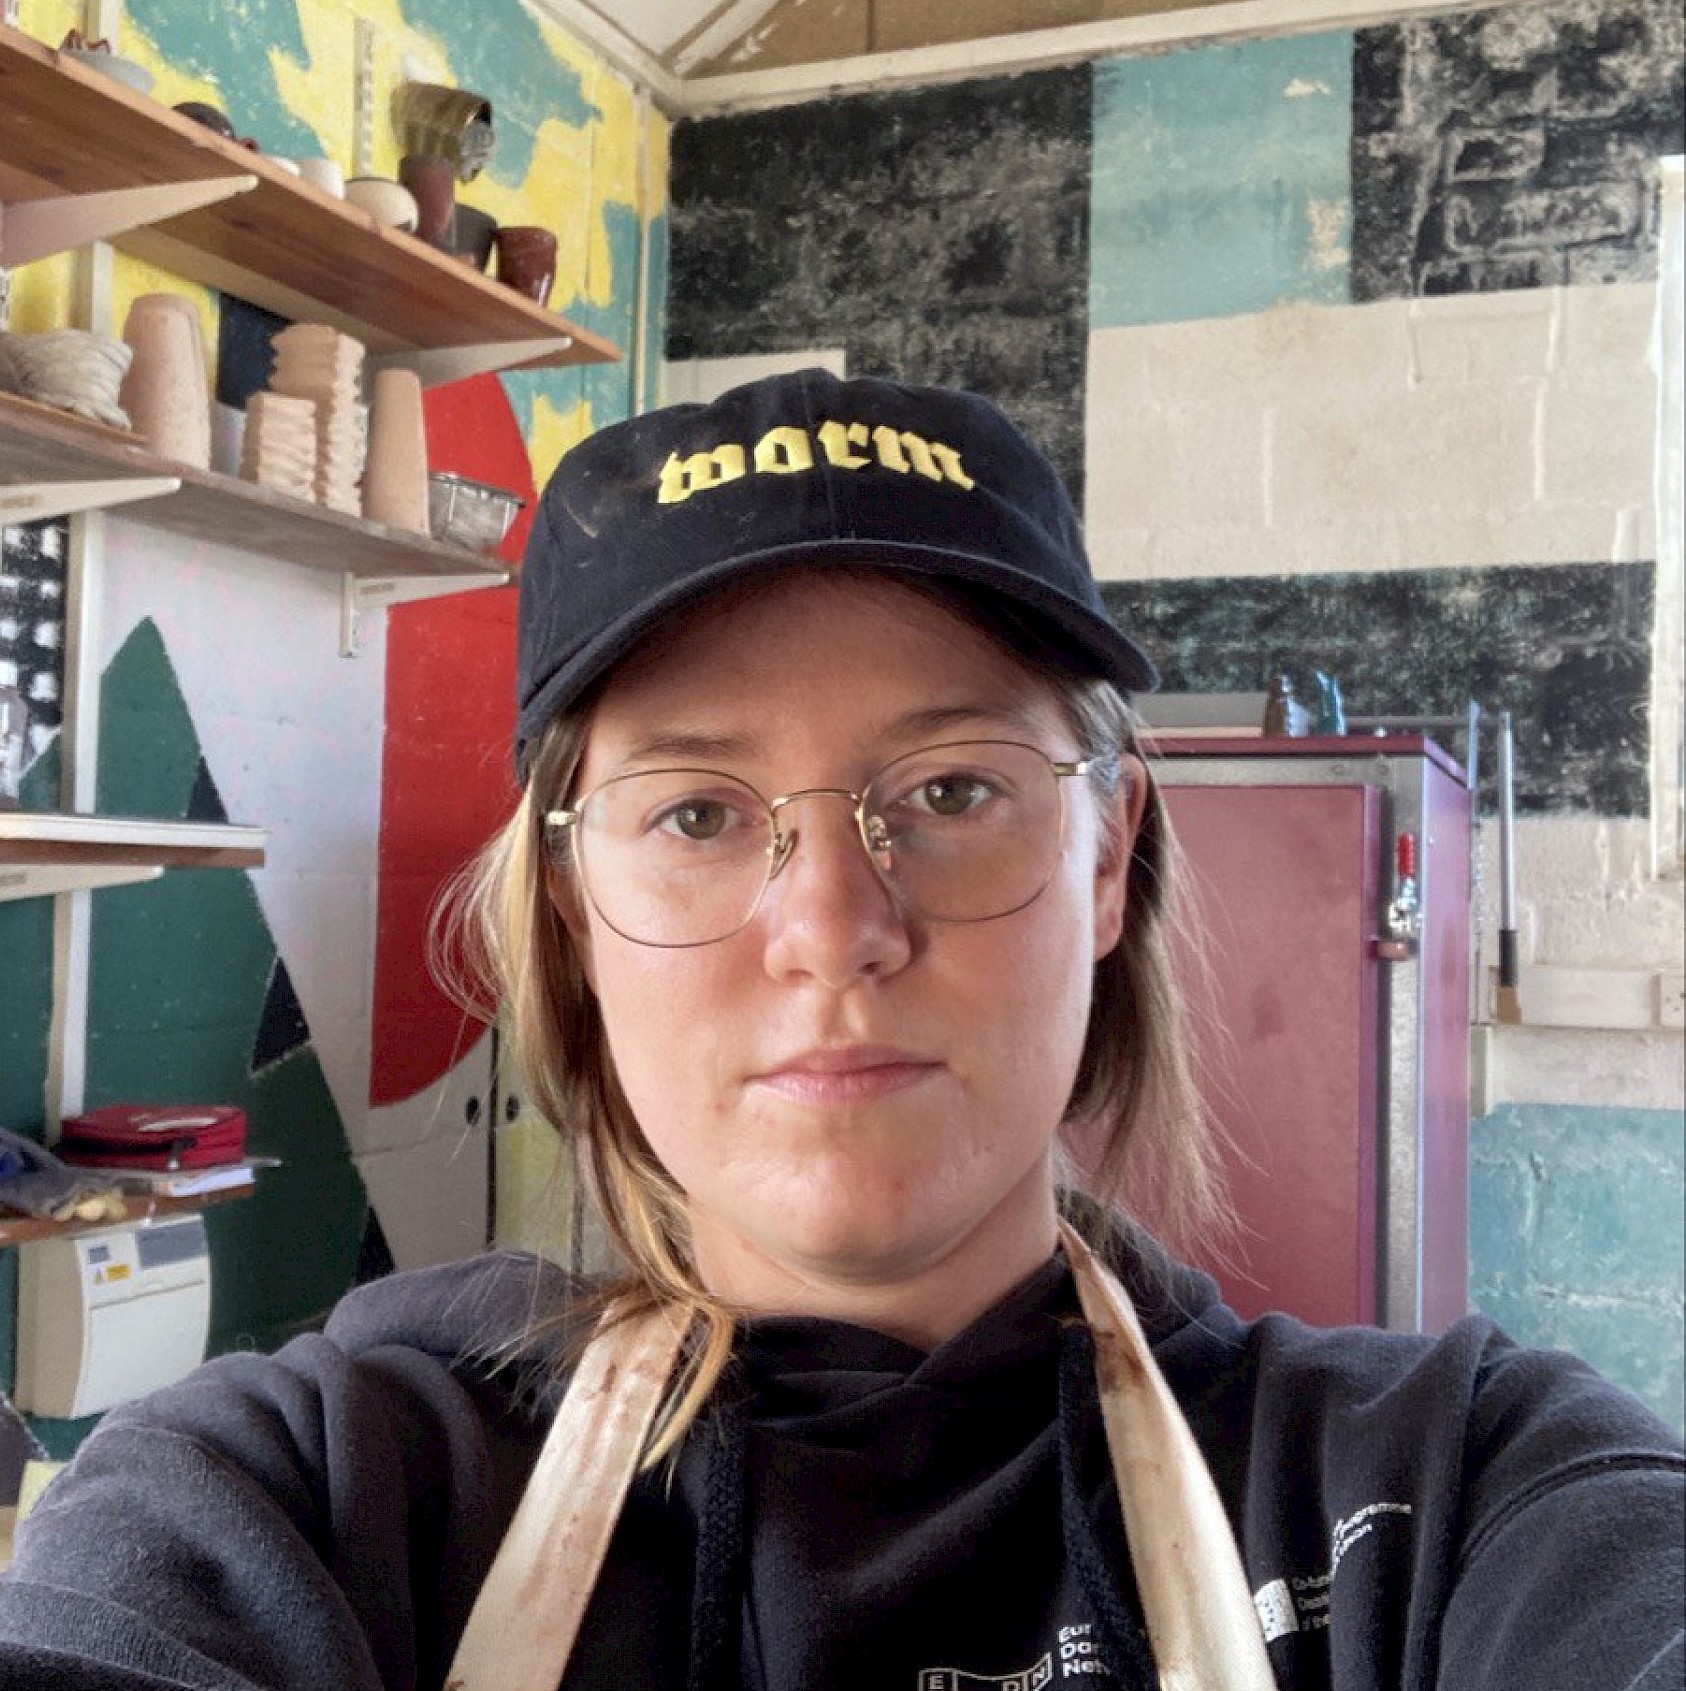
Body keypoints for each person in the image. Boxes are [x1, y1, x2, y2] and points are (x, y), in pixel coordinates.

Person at [1, 369, 1680, 1691]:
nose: (832, 933)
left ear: (1107, 861)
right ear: (574, 916)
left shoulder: (1451, 1495)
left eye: (950, 791)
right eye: (698, 813)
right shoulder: (310, 1497)